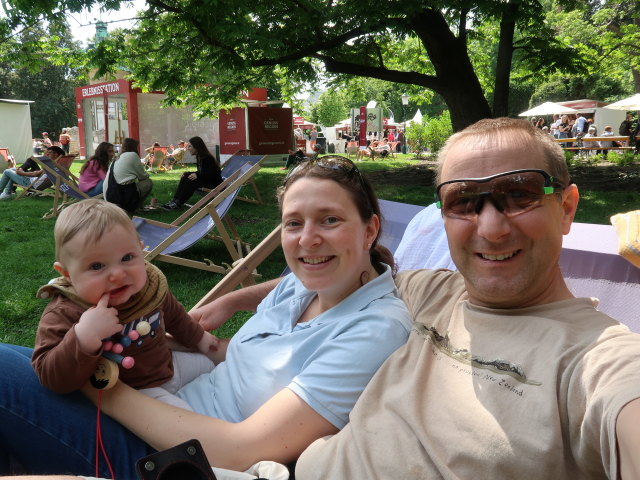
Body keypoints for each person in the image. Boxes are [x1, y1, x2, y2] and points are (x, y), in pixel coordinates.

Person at [192, 118, 640, 479]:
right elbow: (330, 271)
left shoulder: (597, 362)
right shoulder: (432, 290)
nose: (491, 228)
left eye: (519, 194)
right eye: (464, 201)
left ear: (565, 208)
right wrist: (235, 301)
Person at [0, 155, 411, 478]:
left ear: (370, 229)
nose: (307, 240)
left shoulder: (375, 330)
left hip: (176, 460)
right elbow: (279, 303)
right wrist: (231, 301)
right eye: (293, 223)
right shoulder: (309, 284)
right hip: (167, 400)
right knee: (22, 362)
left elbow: (242, 449)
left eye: (330, 220)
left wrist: (101, 384)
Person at [33, 199, 218, 409]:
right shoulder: (67, 311)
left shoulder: (148, 286)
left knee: (213, 366)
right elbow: (50, 377)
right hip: (131, 392)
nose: (118, 275)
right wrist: (84, 336)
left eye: (127, 257)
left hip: (168, 366)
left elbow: (174, 316)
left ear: (141, 251)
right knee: (186, 420)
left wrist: (199, 337)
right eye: (96, 266)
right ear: (67, 274)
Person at [162, 136, 223, 210]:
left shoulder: (207, 158)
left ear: (197, 147)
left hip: (214, 185)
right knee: (185, 176)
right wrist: (188, 173)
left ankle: (178, 203)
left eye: (190, 146)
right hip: (207, 181)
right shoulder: (200, 157)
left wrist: (197, 175)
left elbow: (213, 173)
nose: (188, 148)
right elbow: (203, 171)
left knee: (191, 181)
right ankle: (175, 200)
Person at [104, 137, 153, 213]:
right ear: (134, 147)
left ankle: (133, 206)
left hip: (109, 196)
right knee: (148, 183)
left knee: (132, 183)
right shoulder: (133, 155)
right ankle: (135, 207)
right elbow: (143, 176)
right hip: (120, 196)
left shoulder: (118, 158)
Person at [0, 146, 65, 201]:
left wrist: (22, 173)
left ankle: (7, 193)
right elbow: (39, 173)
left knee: (7, 171)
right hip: (34, 181)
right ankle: (7, 193)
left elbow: (36, 174)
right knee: (12, 170)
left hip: (31, 184)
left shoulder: (52, 166)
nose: (47, 154)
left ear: (56, 155)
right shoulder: (59, 165)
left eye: (49, 153)